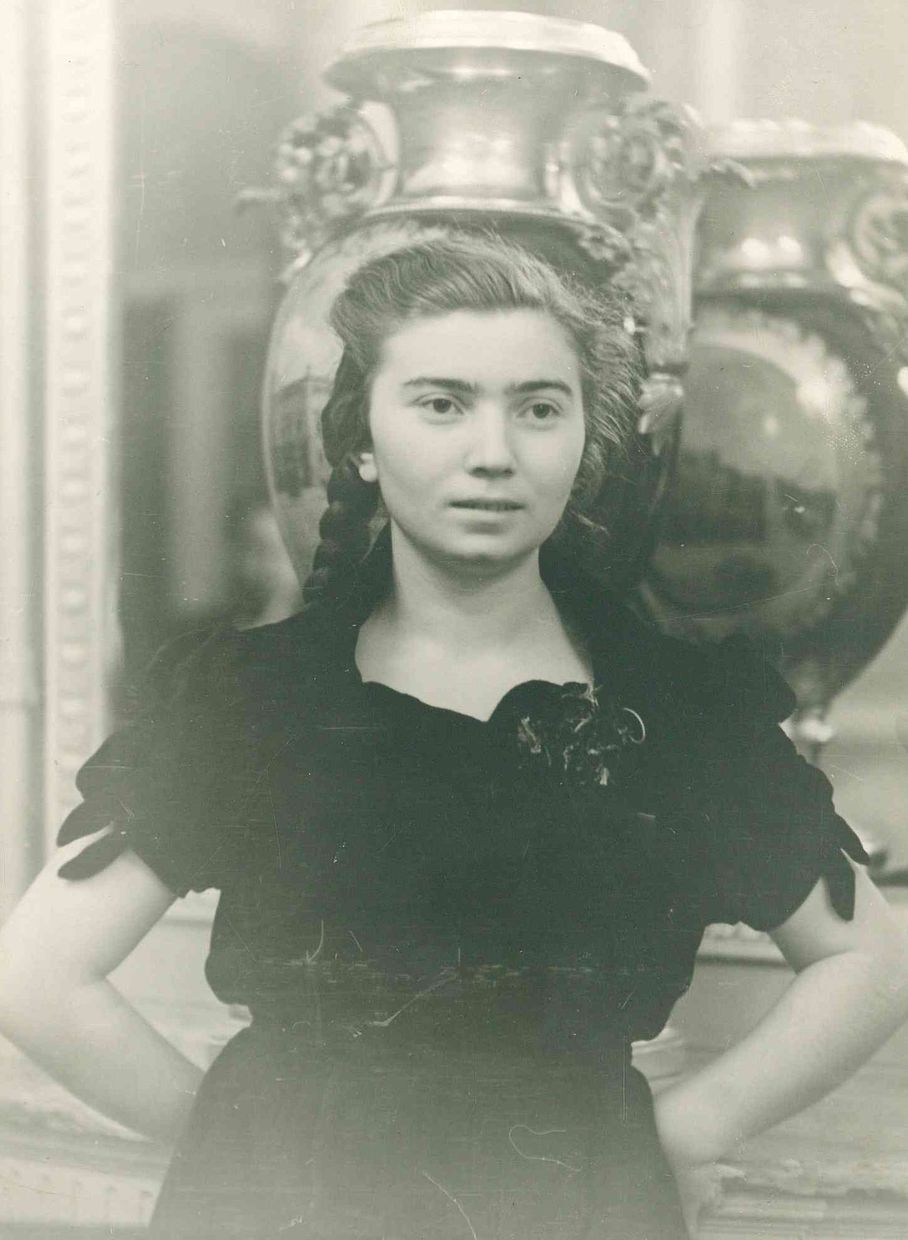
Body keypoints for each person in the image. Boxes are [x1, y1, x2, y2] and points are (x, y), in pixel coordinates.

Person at [1, 232, 907, 1240]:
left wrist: (682, 1131)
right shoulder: (251, 700)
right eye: (441, 403)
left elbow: (868, 963)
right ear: (361, 439)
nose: (493, 453)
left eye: (538, 408)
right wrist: (240, 1148)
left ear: (585, 438)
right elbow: (37, 977)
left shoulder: (678, 711)